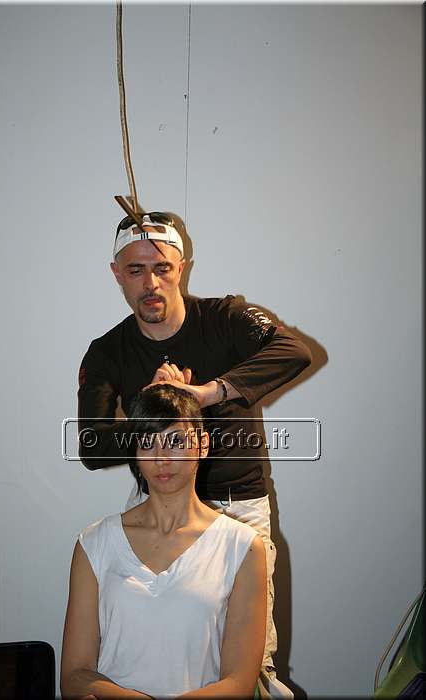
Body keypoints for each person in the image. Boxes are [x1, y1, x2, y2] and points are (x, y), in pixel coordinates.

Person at [77, 212, 312, 698]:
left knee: (252, 666)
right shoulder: (107, 351)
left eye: (162, 267)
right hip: (159, 510)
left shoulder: (226, 318)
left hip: (239, 510)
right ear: (117, 274)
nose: (151, 283)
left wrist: (209, 393)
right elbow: (91, 446)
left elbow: (294, 351)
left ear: (181, 267)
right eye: (136, 270)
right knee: (149, 647)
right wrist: (153, 413)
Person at [62, 384, 267, 699]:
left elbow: (238, 683)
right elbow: (75, 675)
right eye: (147, 442)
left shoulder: (243, 547)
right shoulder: (94, 543)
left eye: (175, 441)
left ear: (202, 444)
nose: (161, 457)